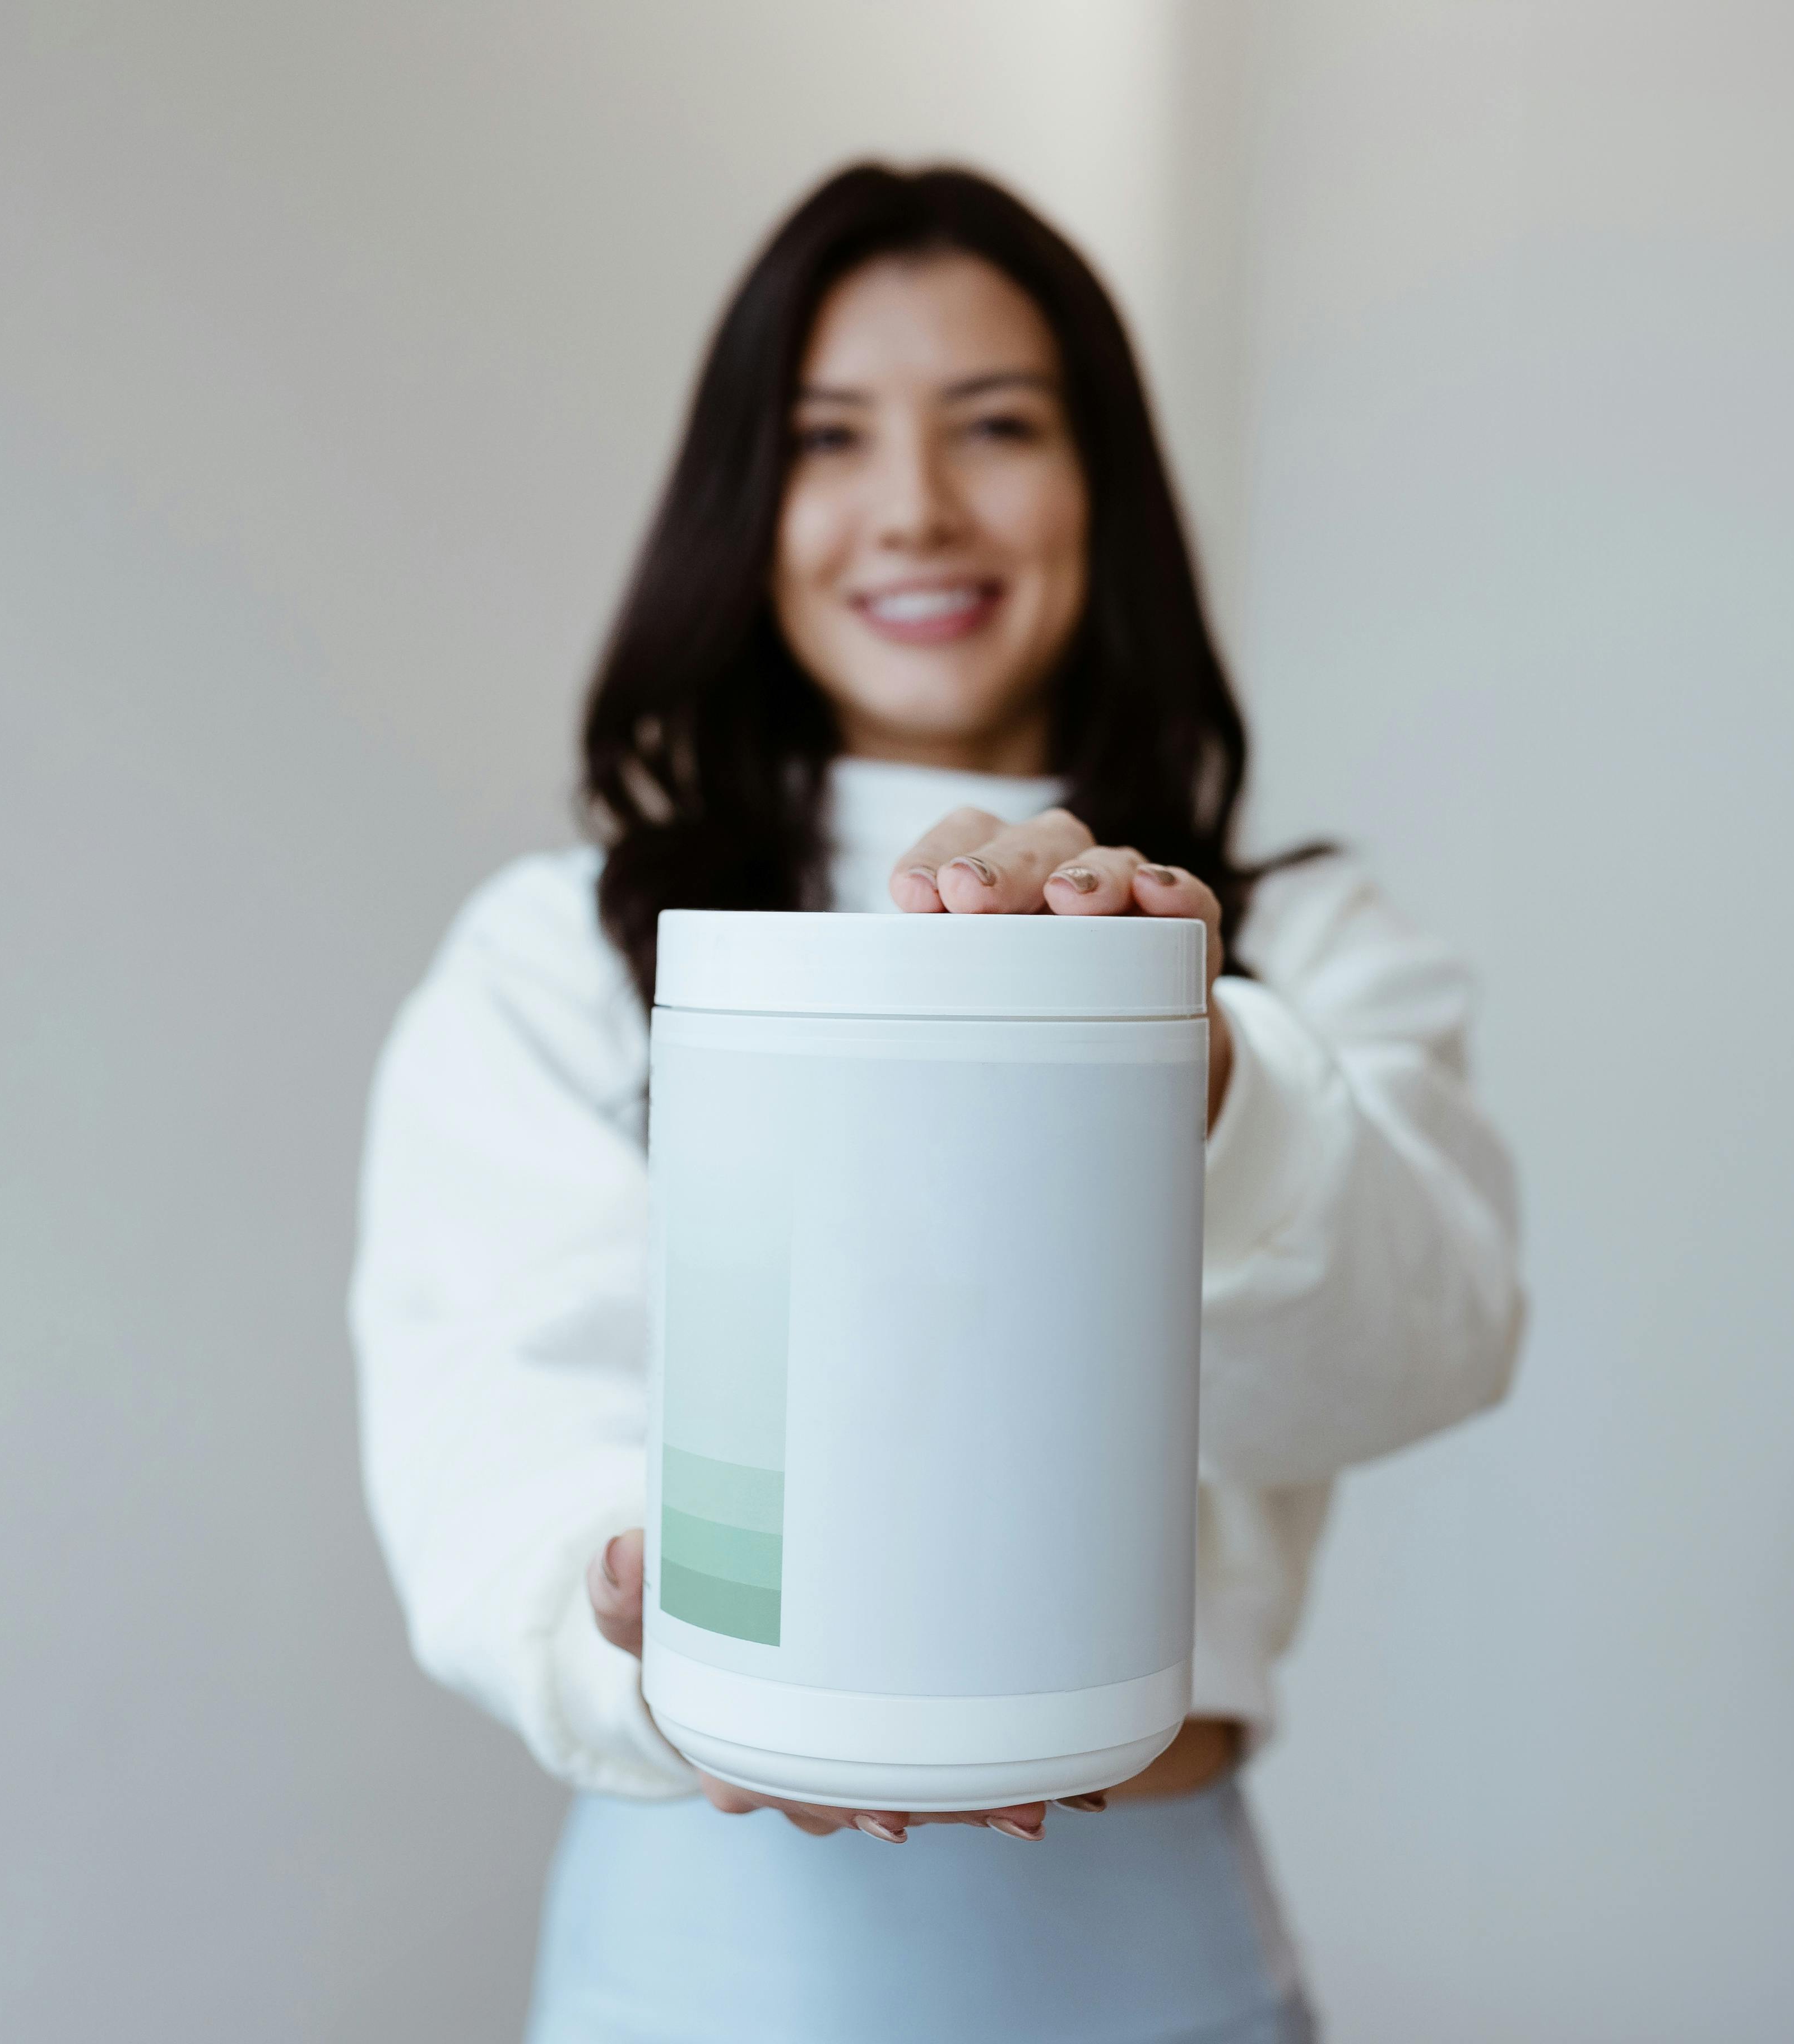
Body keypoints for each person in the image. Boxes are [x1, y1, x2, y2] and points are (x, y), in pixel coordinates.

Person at [351, 164, 1523, 2044]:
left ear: (1106, 490)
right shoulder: (573, 952)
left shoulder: (1289, 941)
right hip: (707, 1949)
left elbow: (1434, 1337)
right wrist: (653, 1636)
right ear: (747, 503)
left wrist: (1200, 1074)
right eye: (830, 440)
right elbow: (491, 1421)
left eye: (995, 427)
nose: (914, 507)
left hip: (1149, 1949)